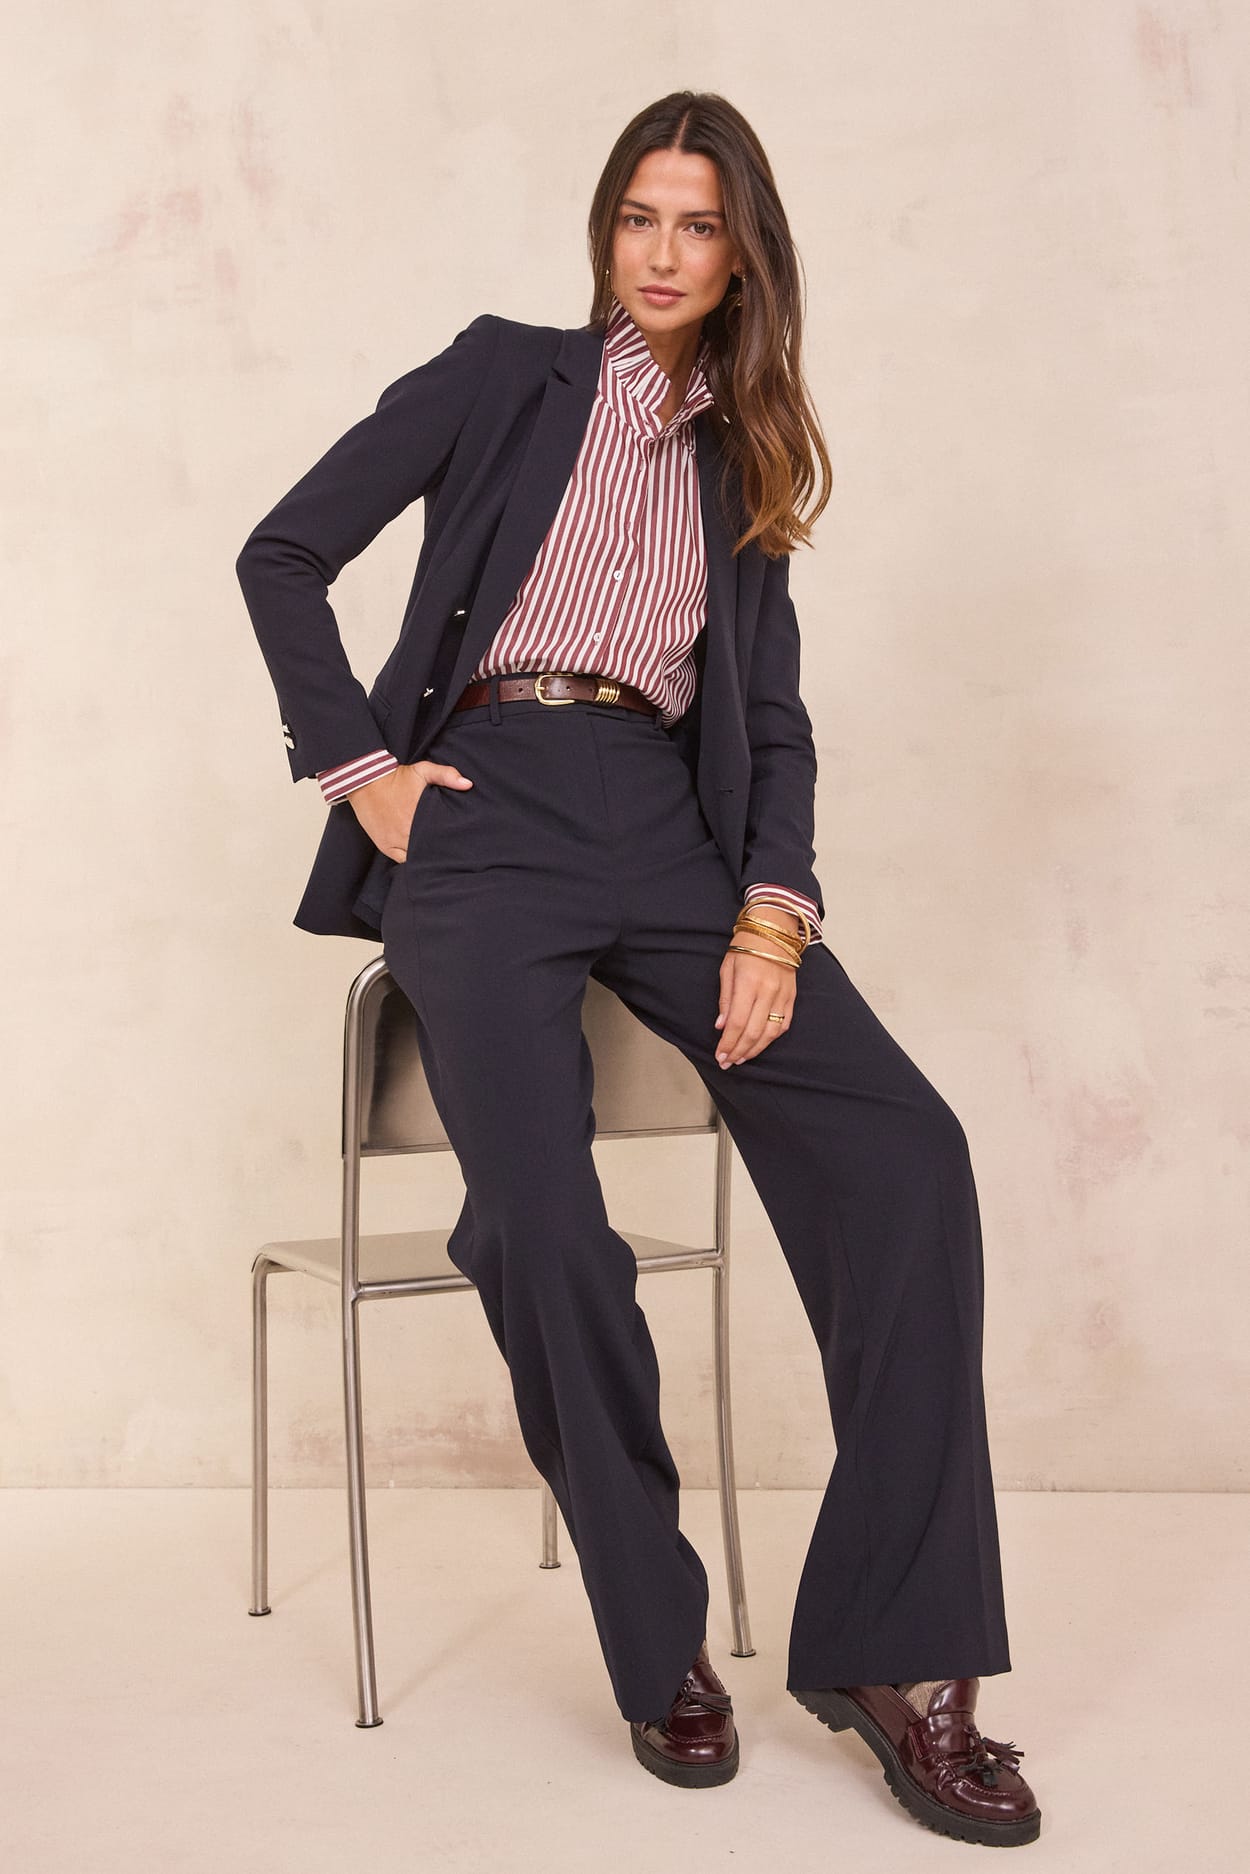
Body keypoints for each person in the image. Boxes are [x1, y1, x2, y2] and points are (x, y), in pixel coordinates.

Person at [235, 90, 1041, 1848]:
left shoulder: (740, 458)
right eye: (636, 218)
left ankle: (897, 1656)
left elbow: (776, 721)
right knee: (541, 1225)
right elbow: (280, 551)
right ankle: (653, 1633)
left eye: (697, 226)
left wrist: (773, 909)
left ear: (743, 253)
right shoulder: (502, 374)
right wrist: (363, 773)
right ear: (603, 231)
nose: (661, 254)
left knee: (908, 1155)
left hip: (670, 832)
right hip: (483, 810)